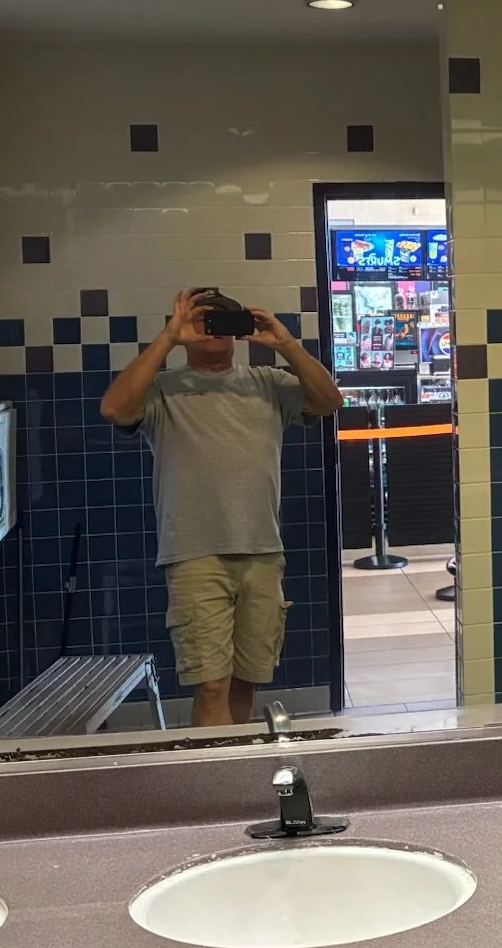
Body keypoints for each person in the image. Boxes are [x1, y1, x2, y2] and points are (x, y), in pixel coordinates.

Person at [100, 287, 343, 726]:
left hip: (262, 552)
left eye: (220, 322)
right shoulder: (162, 390)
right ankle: (214, 788)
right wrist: (169, 339)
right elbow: (115, 408)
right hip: (194, 555)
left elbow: (330, 400)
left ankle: (237, 779)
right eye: (201, 322)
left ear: (239, 330)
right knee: (211, 684)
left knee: (246, 682)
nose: (210, 332)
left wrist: (285, 343)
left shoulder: (269, 384)